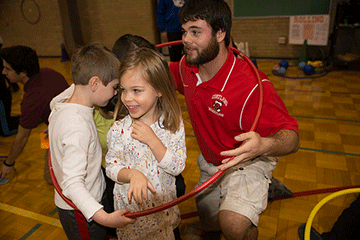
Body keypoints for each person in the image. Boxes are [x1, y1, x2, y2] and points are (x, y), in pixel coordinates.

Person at [169, 0, 300, 239]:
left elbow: (292, 137)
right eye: (184, 31)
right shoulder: (184, 68)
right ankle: (262, 191)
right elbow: (155, 76)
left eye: (196, 32)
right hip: (212, 161)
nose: (186, 39)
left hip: (248, 159)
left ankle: (262, 182)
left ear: (220, 34)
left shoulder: (252, 85)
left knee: (233, 225)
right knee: (211, 225)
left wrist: (264, 145)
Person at [48, 42, 135, 239]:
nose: (115, 94)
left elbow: (54, 101)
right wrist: (105, 218)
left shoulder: (61, 105)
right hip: (81, 212)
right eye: (114, 87)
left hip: (87, 202)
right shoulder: (77, 126)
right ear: (94, 83)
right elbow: (72, 183)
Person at [105, 48, 186, 239]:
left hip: (164, 220)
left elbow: (177, 166)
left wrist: (153, 140)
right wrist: (132, 174)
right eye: (123, 90)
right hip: (133, 223)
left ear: (159, 89)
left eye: (136, 91)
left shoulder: (172, 124)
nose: (127, 98)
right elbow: (111, 167)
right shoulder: (119, 129)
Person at [0, 45, 69, 184]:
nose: (3, 72)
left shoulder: (31, 99)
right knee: (45, 139)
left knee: (50, 178)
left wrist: (9, 162)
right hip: (66, 123)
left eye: (7, 69)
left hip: (67, 131)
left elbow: (22, 137)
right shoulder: (48, 72)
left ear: (23, 72)